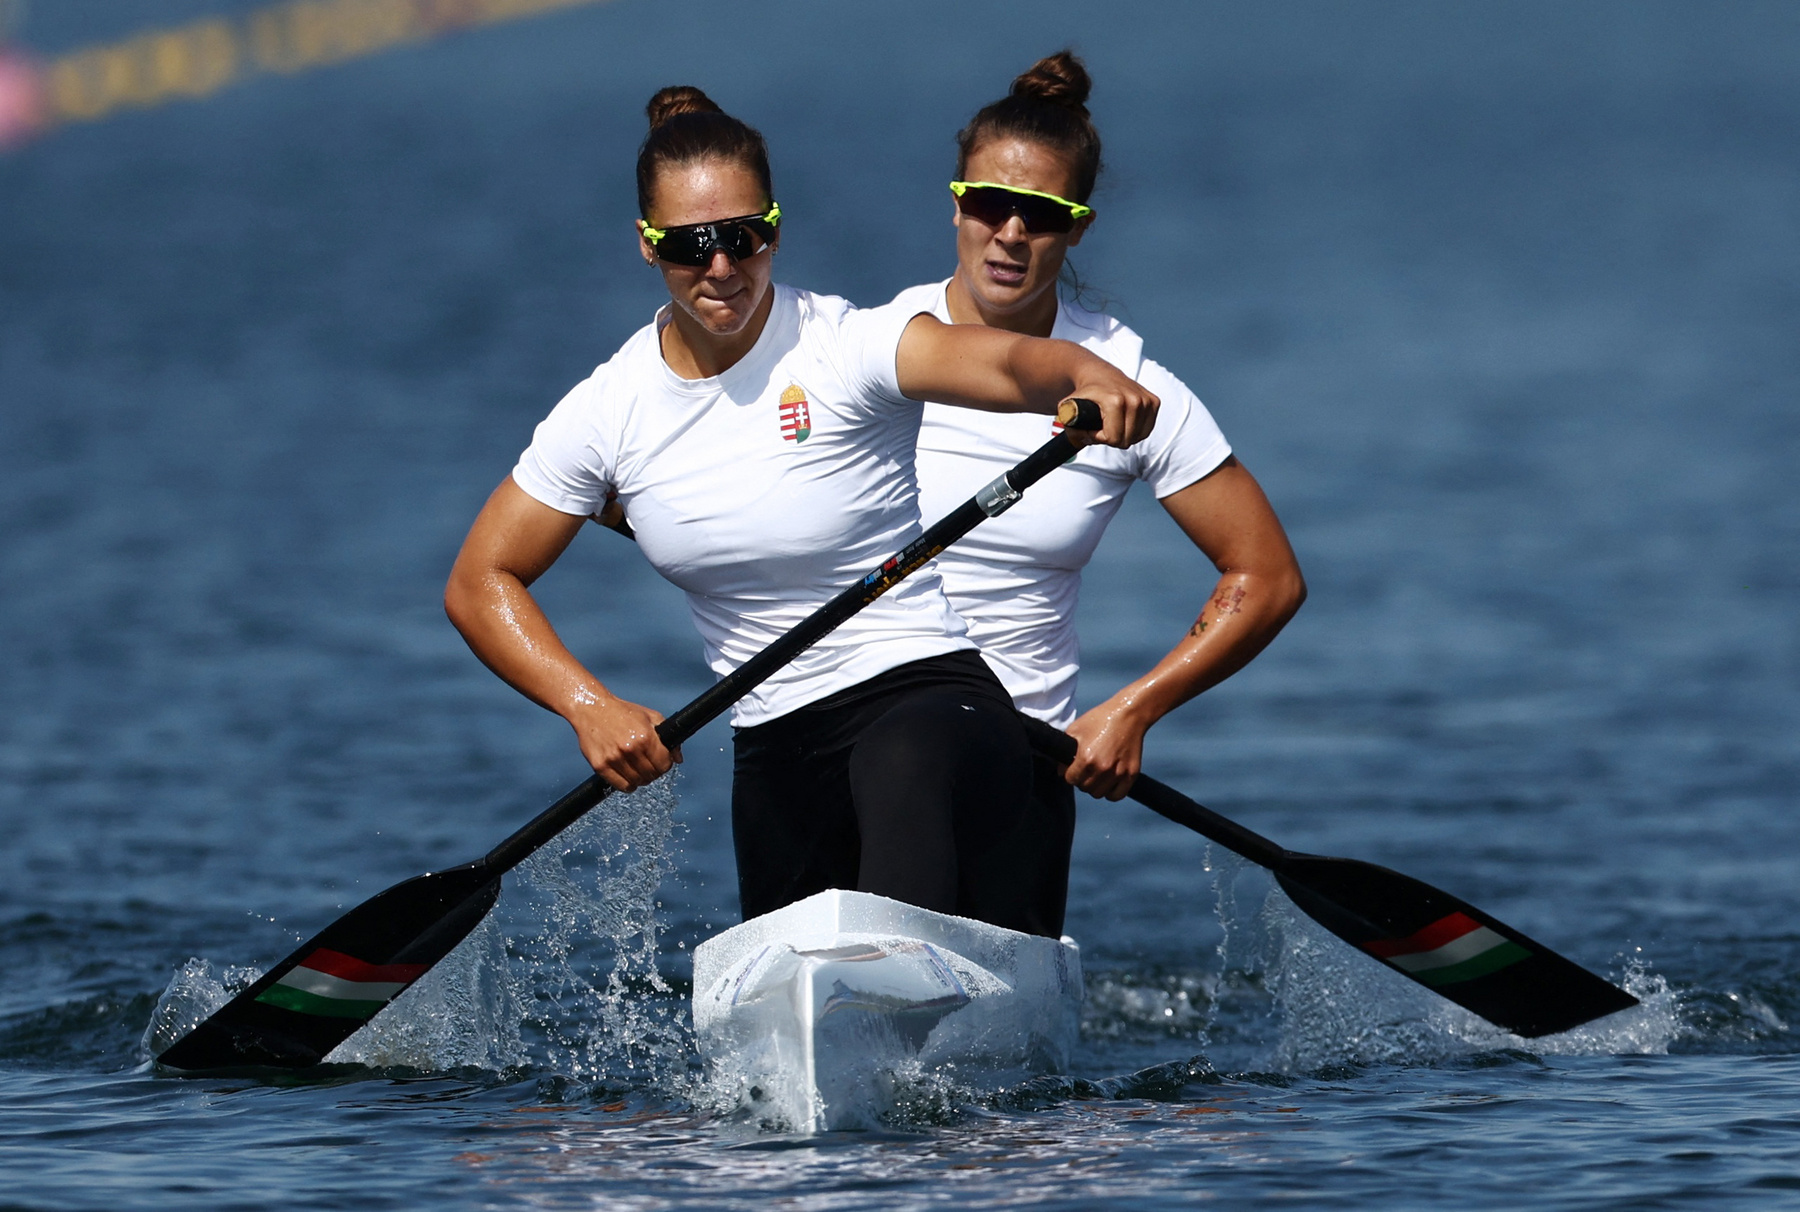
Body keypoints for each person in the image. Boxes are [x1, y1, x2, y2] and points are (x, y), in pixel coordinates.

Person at [444, 86, 1160, 935]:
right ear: (648, 248)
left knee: (903, 767)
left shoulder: (843, 345)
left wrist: (1078, 370)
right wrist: (588, 705)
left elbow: (1002, 362)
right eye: (690, 246)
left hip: (932, 707)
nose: (720, 268)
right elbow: (481, 581)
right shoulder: (606, 412)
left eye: (742, 238)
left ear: (774, 229)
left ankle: (904, 987)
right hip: (773, 744)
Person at [887, 51, 1306, 935]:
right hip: (852, 735)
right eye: (987, 204)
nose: (1009, 233)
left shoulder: (1132, 386)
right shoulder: (872, 352)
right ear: (954, 203)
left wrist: (1130, 710)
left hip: (1022, 758)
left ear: (1077, 229)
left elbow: (1264, 576)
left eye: (1040, 214)